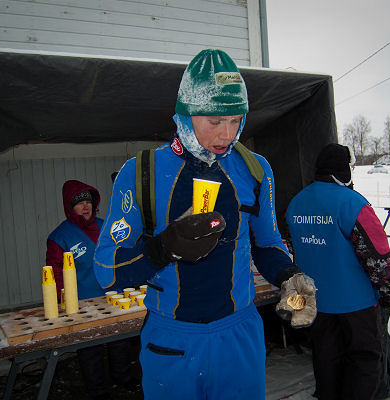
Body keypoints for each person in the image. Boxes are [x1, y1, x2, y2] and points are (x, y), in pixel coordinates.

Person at [92, 49, 316, 400]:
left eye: (235, 120)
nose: (227, 134)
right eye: (214, 121)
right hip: (173, 339)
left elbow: (266, 242)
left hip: (239, 336)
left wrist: (290, 277)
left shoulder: (255, 170)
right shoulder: (141, 174)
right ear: (186, 113)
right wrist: (164, 247)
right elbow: (106, 271)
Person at [286, 143, 390, 400]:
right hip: (355, 303)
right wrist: (388, 292)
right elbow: (377, 256)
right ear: (343, 169)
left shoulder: (296, 203)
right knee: (364, 361)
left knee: (326, 359)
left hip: (315, 302)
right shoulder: (353, 203)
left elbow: (294, 247)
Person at [46, 179, 135, 400]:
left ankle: (122, 376)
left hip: (112, 296)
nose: (85, 206)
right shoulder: (60, 237)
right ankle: (97, 390)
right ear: (69, 206)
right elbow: (55, 272)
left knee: (120, 340)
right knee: (90, 349)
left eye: (88, 200)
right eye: (79, 202)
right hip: (83, 302)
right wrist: (62, 300)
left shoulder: (107, 226)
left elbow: (122, 256)